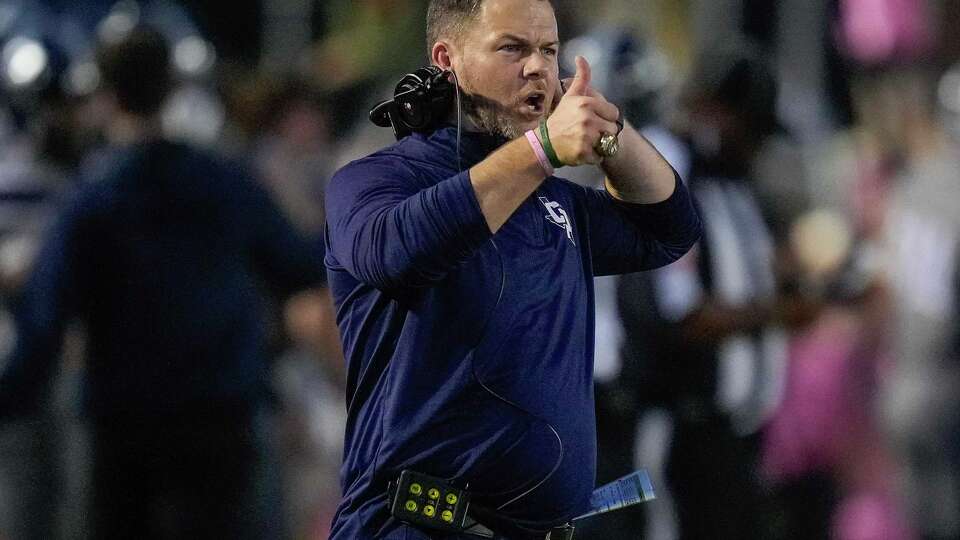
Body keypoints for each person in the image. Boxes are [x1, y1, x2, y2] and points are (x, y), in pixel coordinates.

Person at [323, 1, 701, 538]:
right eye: (512, 48)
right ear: (446, 58)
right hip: (418, 527)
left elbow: (668, 229)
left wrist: (607, 128)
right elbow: (395, 250)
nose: (538, 68)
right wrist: (543, 148)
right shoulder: (373, 180)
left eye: (549, 50)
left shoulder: (556, 203)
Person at [0, 27, 325, 538]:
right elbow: (300, 265)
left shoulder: (91, 202)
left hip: (125, 438)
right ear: (173, 87)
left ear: (105, 96)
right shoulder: (224, 182)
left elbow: (42, 331)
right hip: (223, 426)